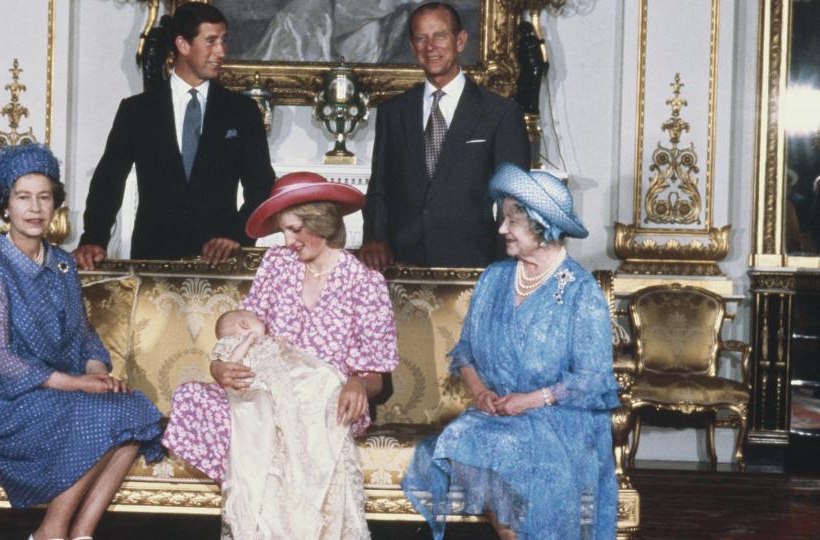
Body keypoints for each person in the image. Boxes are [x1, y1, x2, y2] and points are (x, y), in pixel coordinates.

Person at [163, 172, 399, 538]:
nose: (288, 241)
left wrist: (357, 382)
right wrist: (219, 367)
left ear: (322, 223)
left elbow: (375, 376)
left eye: (294, 229)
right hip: (267, 391)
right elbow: (244, 331)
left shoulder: (366, 283)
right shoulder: (276, 264)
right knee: (192, 398)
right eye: (283, 231)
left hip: (327, 402)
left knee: (286, 438)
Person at [0, 144, 163, 540]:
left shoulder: (63, 263)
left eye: (44, 197)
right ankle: (51, 530)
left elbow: (83, 335)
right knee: (99, 416)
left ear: (55, 206)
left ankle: (81, 532)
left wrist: (98, 372)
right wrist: (77, 384)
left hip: (57, 389)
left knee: (134, 409)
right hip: (1, 397)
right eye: (23, 197)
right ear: (5, 206)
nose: (34, 208)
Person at [401, 163, 619, 539]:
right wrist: (480, 392)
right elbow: (465, 352)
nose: (502, 229)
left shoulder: (582, 294)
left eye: (512, 222)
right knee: (467, 439)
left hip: (560, 419)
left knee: (511, 451)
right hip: (498, 416)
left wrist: (531, 400)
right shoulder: (495, 279)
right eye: (503, 219)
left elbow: (593, 380)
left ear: (541, 225)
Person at [74, 2, 275, 268]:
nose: (222, 51)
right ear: (183, 45)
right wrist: (94, 238)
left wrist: (236, 236)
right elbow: (108, 180)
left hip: (220, 262)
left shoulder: (243, 111)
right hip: (152, 259)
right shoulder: (137, 111)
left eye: (224, 41)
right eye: (211, 41)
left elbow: (262, 187)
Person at [360, 1, 530, 270]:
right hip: (403, 264)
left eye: (439, 36)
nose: (430, 47)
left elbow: (514, 199)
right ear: (412, 46)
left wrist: (504, 266)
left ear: (460, 41)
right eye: (420, 38)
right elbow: (380, 186)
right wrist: (374, 237)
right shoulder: (393, 112)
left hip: (476, 264)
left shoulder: (500, 112)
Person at [210, 309, 360, 539]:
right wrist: (248, 341)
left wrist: (280, 344)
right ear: (244, 324)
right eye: (258, 323)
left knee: (321, 378)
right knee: (277, 400)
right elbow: (231, 361)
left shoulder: (266, 340)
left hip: (286, 378)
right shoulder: (236, 341)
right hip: (254, 383)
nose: (265, 327)